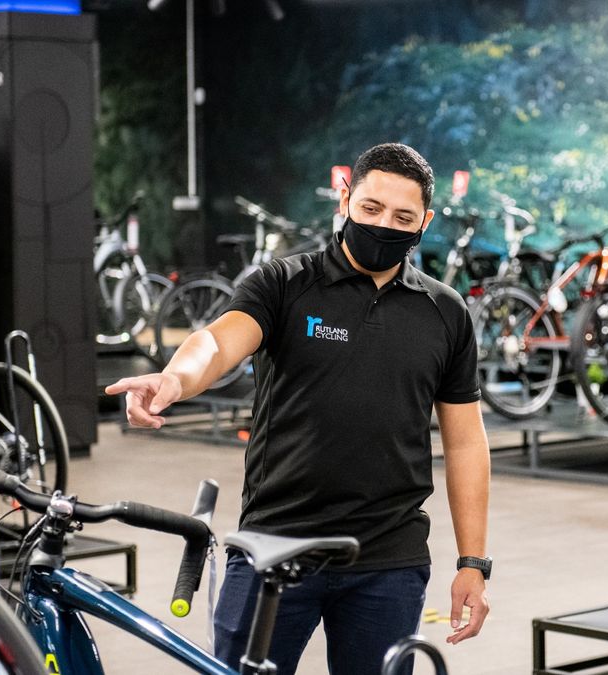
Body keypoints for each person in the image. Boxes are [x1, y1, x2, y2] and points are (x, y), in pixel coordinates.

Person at [106, 143, 491, 674]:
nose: (384, 224)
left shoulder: (445, 313)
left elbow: (466, 441)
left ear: (424, 221)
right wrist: (175, 378)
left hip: (387, 559)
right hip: (272, 546)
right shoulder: (284, 284)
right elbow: (217, 343)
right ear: (345, 199)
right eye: (371, 209)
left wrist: (473, 562)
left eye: (403, 217)